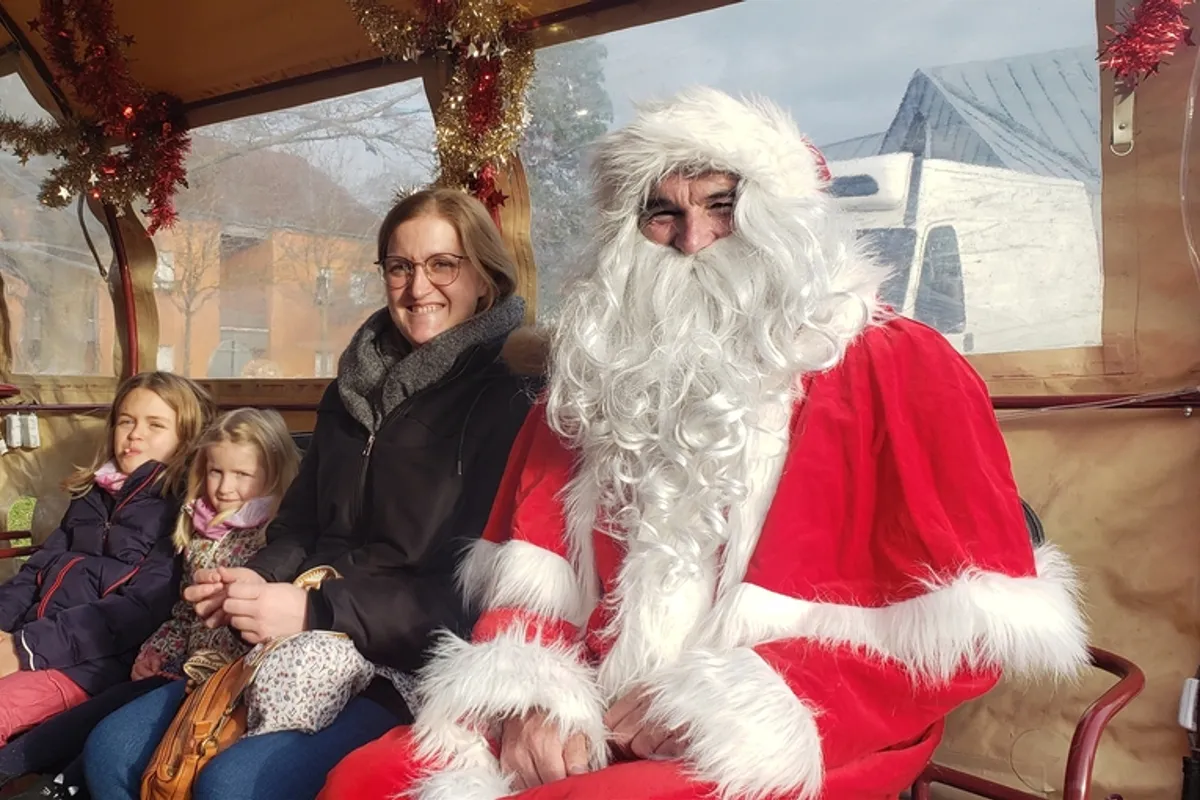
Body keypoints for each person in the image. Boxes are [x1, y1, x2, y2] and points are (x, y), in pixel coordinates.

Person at [319, 87, 1090, 800]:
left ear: (784, 216)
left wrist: (723, 700)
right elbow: (532, 590)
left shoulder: (899, 366)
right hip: (599, 698)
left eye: (724, 206)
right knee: (366, 780)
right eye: (663, 215)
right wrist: (532, 696)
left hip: (802, 716)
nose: (693, 240)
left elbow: (962, 639)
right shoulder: (593, 382)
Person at [84, 188, 543, 800]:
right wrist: (257, 579)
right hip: (300, 631)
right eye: (400, 266)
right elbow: (298, 526)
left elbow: (470, 597)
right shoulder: (351, 391)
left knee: (234, 785)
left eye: (442, 264)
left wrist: (317, 611)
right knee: (109, 751)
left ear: (483, 278)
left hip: (405, 661)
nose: (417, 287)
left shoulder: (508, 400)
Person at [1, 408, 300, 799]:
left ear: (274, 473)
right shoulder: (197, 529)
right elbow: (182, 611)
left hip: (227, 678)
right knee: (94, 723)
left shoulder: (273, 539)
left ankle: (56, 789)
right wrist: (156, 650)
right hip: (177, 668)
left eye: (242, 475)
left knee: (107, 736)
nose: (225, 487)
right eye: (215, 472)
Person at [0, 372, 214, 757]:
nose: (134, 434)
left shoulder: (176, 513)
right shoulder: (91, 494)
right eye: (126, 421)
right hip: (30, 638)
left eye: (155, 425)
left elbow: (137, 611)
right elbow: (36, 571)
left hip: (89, 665)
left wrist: (24, 649)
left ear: (186, 440)